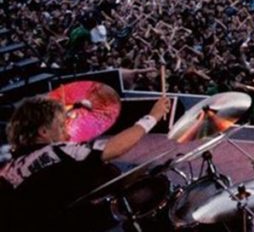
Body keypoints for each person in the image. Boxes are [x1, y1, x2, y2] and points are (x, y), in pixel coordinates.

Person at [0, 94, 171, 231]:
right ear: (44, 132)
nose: (65, 131)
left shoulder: (7, 171)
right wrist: (152, 117)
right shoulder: (57, 151)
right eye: (60, 126)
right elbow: (114, 148)